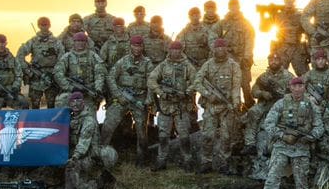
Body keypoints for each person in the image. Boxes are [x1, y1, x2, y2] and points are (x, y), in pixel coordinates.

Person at [257, 77, 325, 189]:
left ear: (304, 88)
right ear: (290, 87)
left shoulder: (311, 106)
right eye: (295, 86)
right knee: (273, 177)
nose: (298, 89)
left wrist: (309, 137)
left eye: (301, 86)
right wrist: (283, 135)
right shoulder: (281, 103)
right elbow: (268, 123)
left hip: (301, 148)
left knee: (301, 181)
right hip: (282, 146)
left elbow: (319, 127)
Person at [148, 40, 199, 171]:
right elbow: (151, 80)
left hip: (182, 107)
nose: (175, 52)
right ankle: (161, 160)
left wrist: (187, 92)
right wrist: (161, 93)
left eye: (177, 50)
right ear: (169, 51)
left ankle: (187, 160)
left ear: (181, 51)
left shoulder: (188, 66)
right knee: (163, 135)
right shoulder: (163, 66)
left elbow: (196, 82)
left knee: (184, 136)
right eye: (172, 50)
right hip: (166, 107)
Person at [196, 39, 245, 174]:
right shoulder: (207, 65)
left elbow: (236, 86)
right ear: (214, 49)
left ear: (226, 49)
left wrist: (235, 103)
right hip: (211, 106)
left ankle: (224, 163)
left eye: (223, 47)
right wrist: (207, 94)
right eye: (218, 48)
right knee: (207, 135)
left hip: (226, 107)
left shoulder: (233, 66)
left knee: (226, 137)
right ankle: (206, 162)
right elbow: (197, 82)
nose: (220, 50)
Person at [103, 36, 153, 165]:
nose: (137, 48)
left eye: (139, 46)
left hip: (139, 99)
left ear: (143, 47)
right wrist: (118, 95)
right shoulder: (122, 62)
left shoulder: (148, 63)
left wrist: (148, 99)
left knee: (142, 131)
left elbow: (151, 82)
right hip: (122, 98)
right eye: (135, 45)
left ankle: (142, 160)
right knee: (108, 125)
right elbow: (110, 78)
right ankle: (101, 155)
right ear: (130, 46)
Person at [63, 90, 116, 189]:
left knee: (71, 169)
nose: (75, 104)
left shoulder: (88, 121)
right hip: (76, 152)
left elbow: (83, 144)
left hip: (89, 156)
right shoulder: (71, 117)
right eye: (73, 101)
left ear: (83, 103)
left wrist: (74, 158)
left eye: (78, 101)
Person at [246, 50, 293, 154]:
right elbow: (254, 91)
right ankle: (250, 143)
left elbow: (295, 92)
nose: (274, 62)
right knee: (252, 112)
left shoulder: (288, 76)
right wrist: (262, 93)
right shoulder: (263, 77)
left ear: (281, 61)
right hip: (265, 103)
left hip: (282, 104)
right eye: (271, 60)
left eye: (276, 59)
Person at [18, 18, 65, 108]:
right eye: (42, 25)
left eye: (46, 25)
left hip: (51, 77)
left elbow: (62, 59)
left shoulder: (56, 42)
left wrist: (56, 72)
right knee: (35, 104)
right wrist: (28, 71)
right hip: (36, 78)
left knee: (52, 104)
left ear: (49, 25)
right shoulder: (33, 41)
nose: (44, 27)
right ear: (38, 26)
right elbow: (20, 55)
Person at [219, 0, 257, 105]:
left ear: (239, 7)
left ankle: (249, 105)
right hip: (229, 59)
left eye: (235, 6)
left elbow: (250, 40)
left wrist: (247, 56)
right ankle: (235, 107)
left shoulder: (245, 23)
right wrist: (219, 51)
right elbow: (212, 35)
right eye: (231, 6)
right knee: (230, 85)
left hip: (242, 58)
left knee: (245, 84)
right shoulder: (223, 23)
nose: (233, 8)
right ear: (229, 8)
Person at [54, 33, 105, 107]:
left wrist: (98, 89)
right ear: (73, 42)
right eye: (77, 41)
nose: (80, 43)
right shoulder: (67, 56)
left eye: (82, 41)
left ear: (86, 43)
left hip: (88, 90)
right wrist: (70, 88)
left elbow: (100, 74)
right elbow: (58, 73)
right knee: (60, 101)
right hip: (71, 91)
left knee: (89, 116)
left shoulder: (93, 56)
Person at [272, 0, 310, 75]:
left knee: (305, 75)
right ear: (284, 1)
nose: (289, 1)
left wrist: (308, 49)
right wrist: (265, 15)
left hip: (297, 48)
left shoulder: (300, 15)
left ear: (294, 1)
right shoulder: (278, 15)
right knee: (279, 75)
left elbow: (308, 32)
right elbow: (263, 28)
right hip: (283, 49)